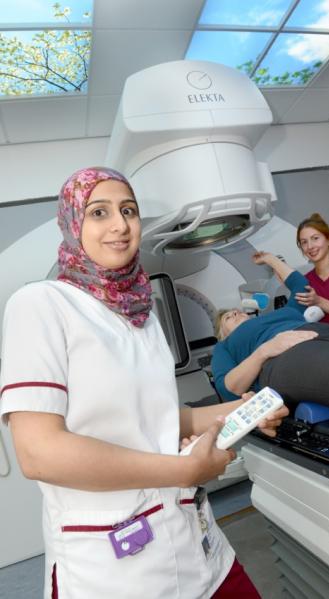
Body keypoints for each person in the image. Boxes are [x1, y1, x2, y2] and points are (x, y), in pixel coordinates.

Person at [0, 167, 288, 599]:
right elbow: (40, 453)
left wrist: (241, 411)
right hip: (112, 567)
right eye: (99, 212)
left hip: (196, 541)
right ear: (72, 223)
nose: (120, 225)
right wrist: (183, 470)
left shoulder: (142, 313)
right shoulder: (41, 304)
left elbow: (156, 419)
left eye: (129, 211)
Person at [212, 251, 329, 431]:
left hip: (325, 333)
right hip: (284, 356)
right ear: (223, 334)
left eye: (237, 311)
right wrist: (265, 350)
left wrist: (270, 259)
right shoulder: (224, 346)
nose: (235, 313)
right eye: (228, 317)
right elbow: (229, 389)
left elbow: (301, 287)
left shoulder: (281, 313)